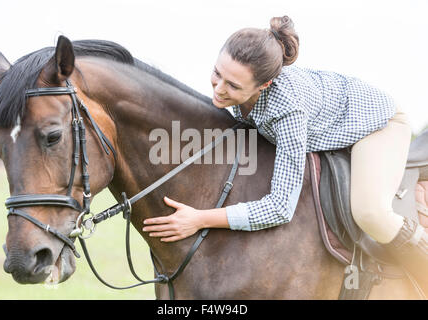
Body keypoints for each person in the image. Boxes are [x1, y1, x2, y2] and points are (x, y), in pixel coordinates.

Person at [143, 16, 427, 293]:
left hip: (378, 124)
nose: (218, 89)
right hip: (332, 119)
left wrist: (201, 218)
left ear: (263, 86)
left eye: (233, 86)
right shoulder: (235, 91)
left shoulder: (286, 109)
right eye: (218, 74)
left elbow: (280, 208)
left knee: (371, 212)